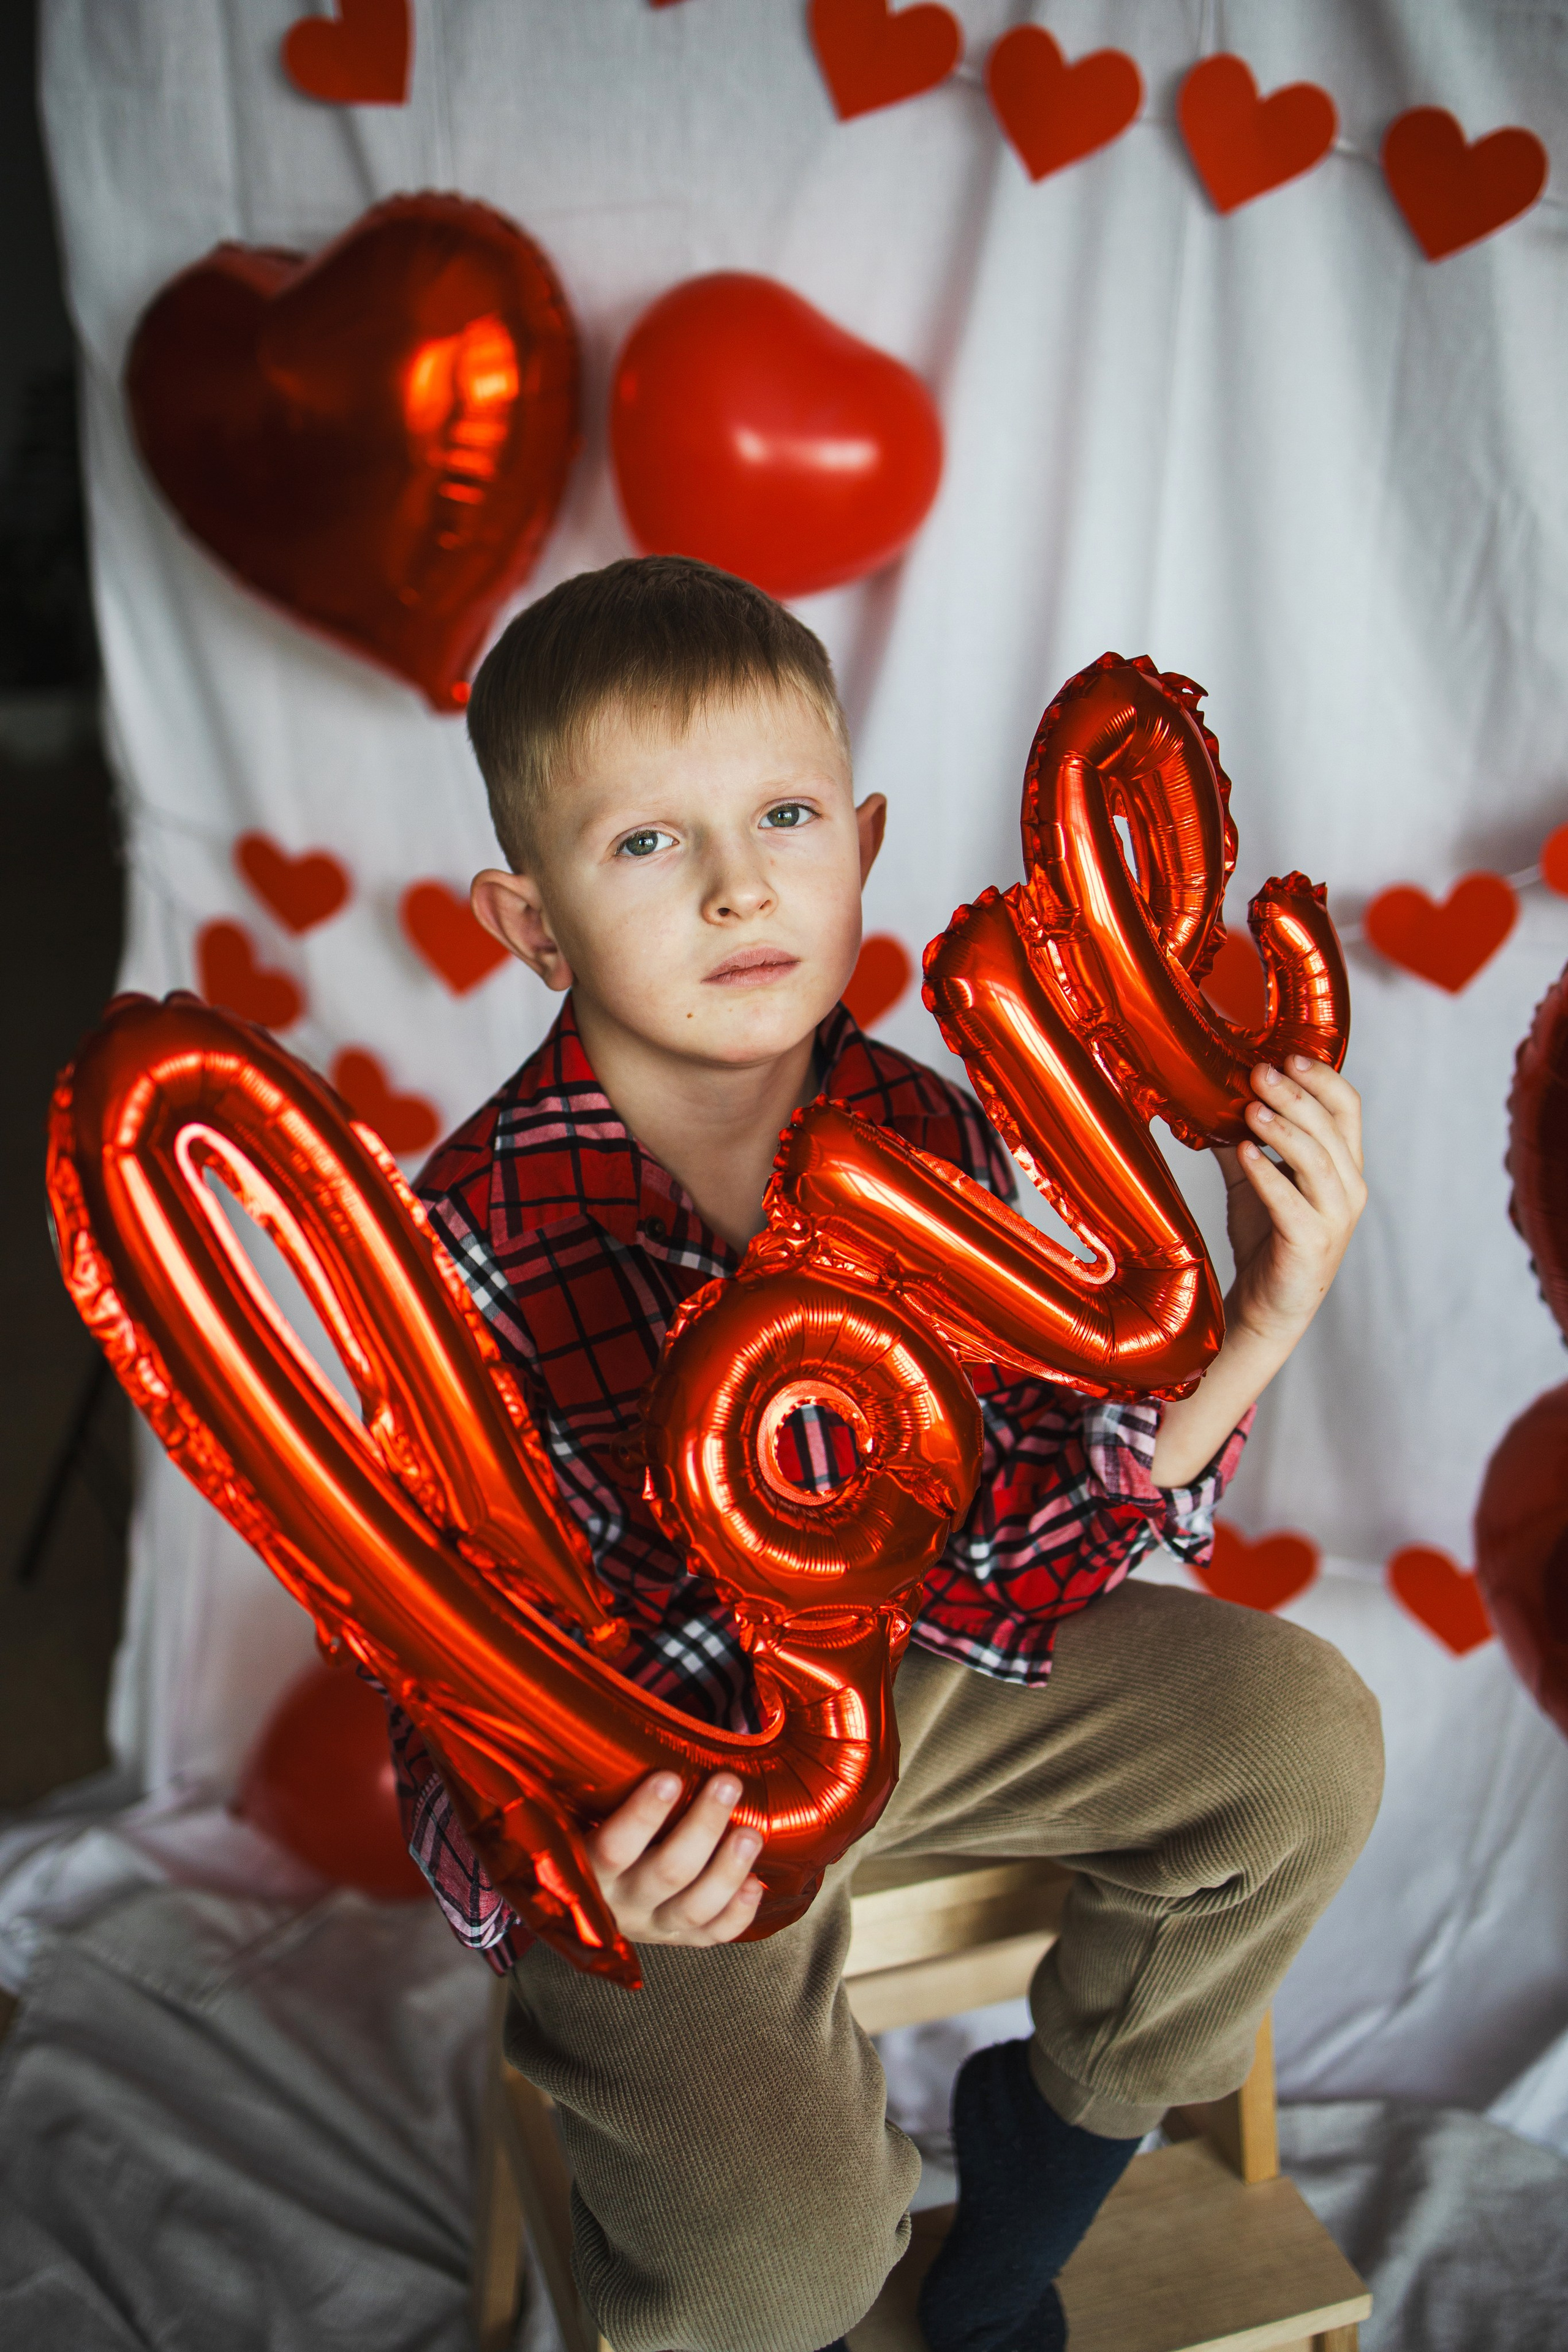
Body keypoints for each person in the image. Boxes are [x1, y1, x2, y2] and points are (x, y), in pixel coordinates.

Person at [391, 555, 1381, 2352]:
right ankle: (785, 2246)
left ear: (862, 840)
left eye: (782, 815)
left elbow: (1024, 1537)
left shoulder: (922, 1124)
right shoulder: (461, 1240)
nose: (740, 882)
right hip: (671, 1812)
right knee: (791, 2261)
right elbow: (437, 1666)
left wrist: (1254, 1324)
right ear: (528, 925)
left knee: (1299, 1743)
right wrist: (557, 1872)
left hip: (924, 1688)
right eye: (645, 845)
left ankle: (1037, 2173)